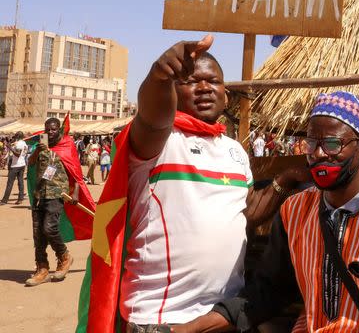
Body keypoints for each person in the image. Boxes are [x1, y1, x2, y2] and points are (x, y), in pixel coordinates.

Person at [79, 35, 307, 331]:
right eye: (191, 81)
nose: (204, 88)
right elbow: (151, 117)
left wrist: (285, 180)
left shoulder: (234, 150)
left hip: (222, 315)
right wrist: (160, 75)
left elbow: (246, 212)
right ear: (173, 91)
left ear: (226, 95)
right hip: (162, 319)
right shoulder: (160, 142)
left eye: (213, 82)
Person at [175, 91, 359, 332]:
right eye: (311, 143)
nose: (318, 154)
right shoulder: (294, 211)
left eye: (332, 144)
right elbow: (269, 291)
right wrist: (192, 327)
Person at [25, 118, 91, 286]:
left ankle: (64, 256)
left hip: (57, 193)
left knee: (50, 228)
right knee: (38, 234)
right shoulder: (40, 147)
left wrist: (75, 193)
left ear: (59, 129)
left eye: (53, 129)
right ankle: (42, 269)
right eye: (47, 129)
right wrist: (37, 152)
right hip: (40, 194)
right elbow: (31, 164)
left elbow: (76, 172)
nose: (50, 132)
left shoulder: (67, 145)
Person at [2, 131, 28, 204]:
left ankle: (4, 200)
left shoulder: (19, 144)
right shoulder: (24, 144)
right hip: (22, 164)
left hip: (16, 165)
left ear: (17, 136)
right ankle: (20, 198)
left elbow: (17, 154)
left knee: (10, 183)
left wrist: (10, 147)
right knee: (20, 182)